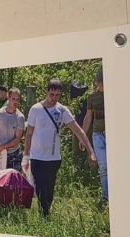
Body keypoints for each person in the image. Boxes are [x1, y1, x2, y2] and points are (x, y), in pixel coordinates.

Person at [24, 79, 97, 217]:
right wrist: (26, 155)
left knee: (49, 188)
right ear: (47, 92)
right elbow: (29, 133)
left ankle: (46, 212)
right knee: (40, 187)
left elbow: (78, 130)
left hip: (53, 157)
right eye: (52, 94)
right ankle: (44, 214)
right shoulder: (36, 109)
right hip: (37, 156)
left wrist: (91, 151)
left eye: (57, 95)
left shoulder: (62, 110)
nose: (54, 98)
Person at [80, 69, 107, 207]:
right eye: (100, 82)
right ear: (97, 83)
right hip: (98, 135)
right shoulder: (92, 97)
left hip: (113, 135)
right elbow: (88, 116)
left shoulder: (116, 93)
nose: (102, 85)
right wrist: (83, 137)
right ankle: (105, 197)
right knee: (103, 167)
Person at [0, 87, 26, 172]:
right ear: (8, 98)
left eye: (17, 99)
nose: (15, 101)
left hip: (14, 155)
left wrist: (2, 147)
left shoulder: (20, 117)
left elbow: (17, 139)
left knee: (14, 183)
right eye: (13, 99)